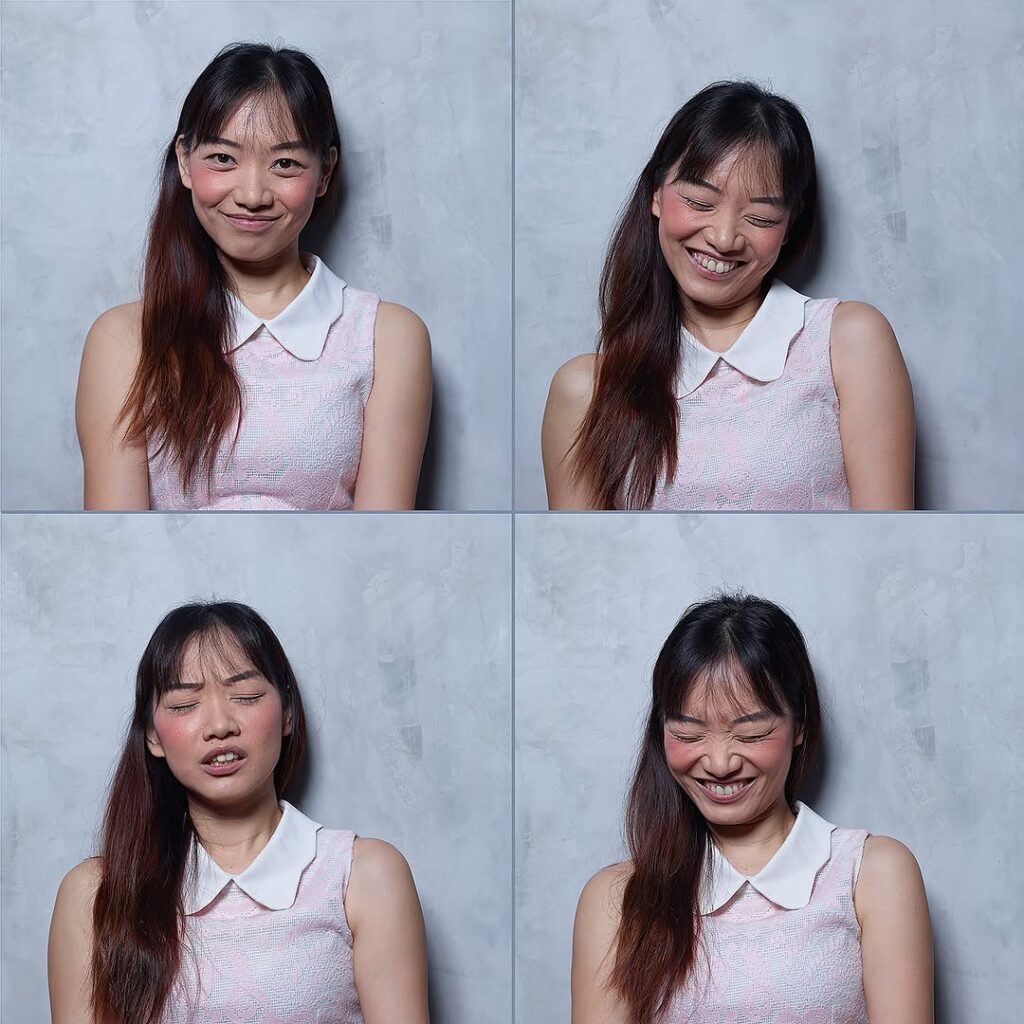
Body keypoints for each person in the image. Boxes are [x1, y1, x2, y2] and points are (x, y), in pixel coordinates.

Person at [76, 44, 431, 510]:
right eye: (223, 158)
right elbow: (119, 543)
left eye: (285, 163)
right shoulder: (124, 339)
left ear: (324, 173)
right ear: (185, 161)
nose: (252, 194)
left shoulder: (386, 337)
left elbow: (383, 547)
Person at [47, 601, 430, 1024]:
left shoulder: (362, 874)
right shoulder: (95, 893)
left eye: (245, 695)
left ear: (287, 712)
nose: (219, 724)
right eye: (183, 705)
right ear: (153, 736)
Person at [543, 81, 914, 510]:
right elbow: (589, 569)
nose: (723, 238)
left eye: (759, 216)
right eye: (701, 202)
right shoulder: (586, 390)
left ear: (789, 226)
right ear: (656, 194)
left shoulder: (848, 341)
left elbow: (887, 550)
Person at [571, 594, 933, 1024]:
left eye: (751, 734)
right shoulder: (617, 898)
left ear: (799, 726)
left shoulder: (871, 873)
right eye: (689, 734)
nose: (720, 763)